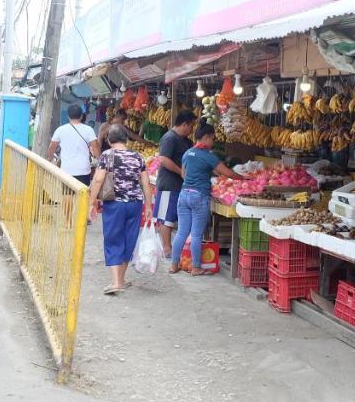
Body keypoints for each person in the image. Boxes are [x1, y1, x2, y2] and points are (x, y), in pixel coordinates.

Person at [171, 122, 248, 275]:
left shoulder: (188, 153)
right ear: (206, 138)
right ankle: (196, 267)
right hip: (199, 196)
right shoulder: (208, 156)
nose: (213, 142)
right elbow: (228, 173)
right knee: (197, 234)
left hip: (184, 194)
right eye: (212, 139)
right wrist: (245, 178)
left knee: (182, 232)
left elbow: (183, 174)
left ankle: (174, 265)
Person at [89, 124, 152, 295]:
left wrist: (91, 202)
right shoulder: (138, 157)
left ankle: (116, 282)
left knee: (113, 239)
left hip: (114, 204)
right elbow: (145, 182)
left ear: (109, 140)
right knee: (128, 240)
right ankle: (121, 280)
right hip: (134, 204)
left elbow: (98, 180)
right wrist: (148, 206)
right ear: (126, 139)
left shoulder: (107, 155)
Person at [153, 110, 195, 254]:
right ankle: (166, 248)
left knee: (174, 217)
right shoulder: (169, 138)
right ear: (184, 124)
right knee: (166, 217)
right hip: (168, 184)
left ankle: (174, 247)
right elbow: (163, 159)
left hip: (180, 185)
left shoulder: (186, 140)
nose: (192, 130)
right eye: (191, 126)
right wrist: (181, 172)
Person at [48, 104, 99, 185]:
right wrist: (99, 161)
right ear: (81, 116)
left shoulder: (60, 130)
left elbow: (52, 147)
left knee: (67, 195)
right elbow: (95, 146)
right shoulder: (89, 130)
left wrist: (51, 159)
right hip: (83, 169)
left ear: (68, 116)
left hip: (67, 169)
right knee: (83, 194)